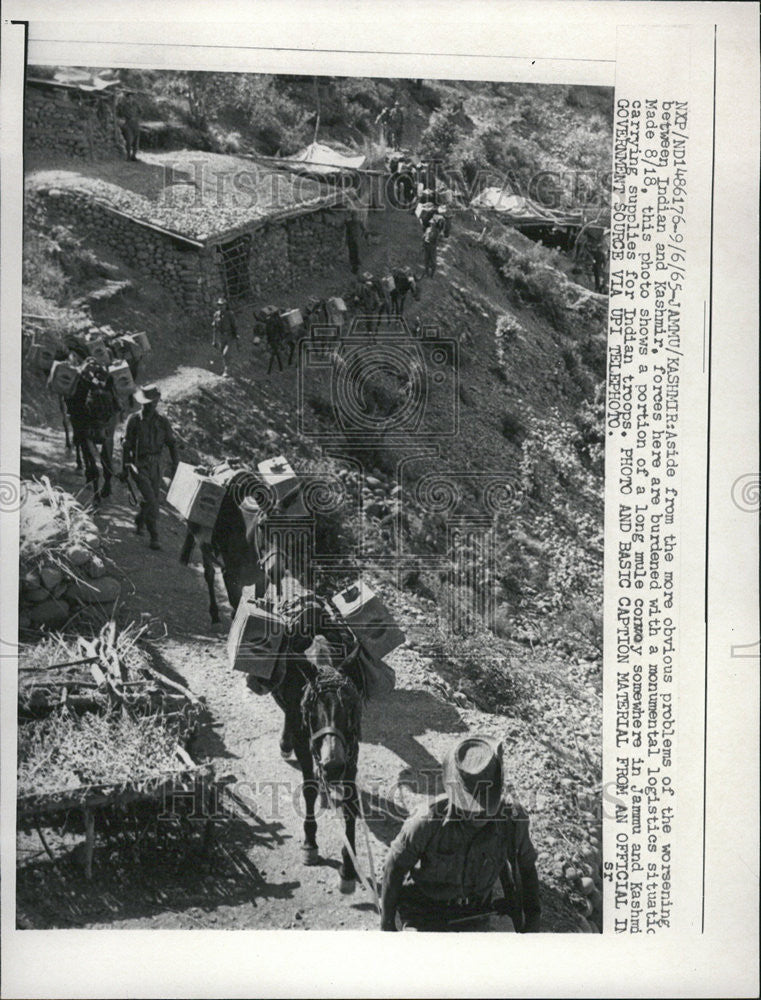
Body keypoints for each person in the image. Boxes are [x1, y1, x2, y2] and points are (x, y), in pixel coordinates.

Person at [380, 735, 542, 932]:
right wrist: (387, 925)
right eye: (471, 805)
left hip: (477, 913)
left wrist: (532, 922)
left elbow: (527, 868)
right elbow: (394, 868)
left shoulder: (513, 820)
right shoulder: (426, 821)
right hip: (425, 913)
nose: (478, 814)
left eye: (485, 805)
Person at [122, 384, 179, 551]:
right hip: (138, 465)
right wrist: (125, 468)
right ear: (142, 403)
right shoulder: (133, 420)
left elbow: (172, 444)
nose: (149, 406)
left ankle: (140, 520)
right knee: (153, 501)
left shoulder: (162, 422)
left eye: (152, 402)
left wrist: (176, 465)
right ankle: (154, 535)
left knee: (150, 498)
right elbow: (127, 445)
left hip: (156, 466)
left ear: (156, 402)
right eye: (146, 403)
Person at [211, 296, 239, 376]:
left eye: (222, 305)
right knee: (222, 354)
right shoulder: (216, 315)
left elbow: (234, 326)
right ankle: (226, 368)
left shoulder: (230, 314)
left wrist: (236, 335)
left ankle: (227, 370)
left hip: (230, 336)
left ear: (226, 305)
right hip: (221, 337)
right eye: (219, 305)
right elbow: (215, 328)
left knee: (225, 354)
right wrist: (214, 340)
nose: (221, 307)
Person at [117, 91, 141, 161]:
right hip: (128, 123)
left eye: (132, 97)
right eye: (129, 97)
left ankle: (134, 156)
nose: (130, 99)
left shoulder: (136, 104)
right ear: (127, 98)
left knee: (136, 141)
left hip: (135, 124)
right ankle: (128, 156)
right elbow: (120, 113)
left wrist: (137, 118)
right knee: (129, 140)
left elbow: (140, 112)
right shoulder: (124, 106)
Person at [344, 208, 368, 276]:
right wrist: (346, 240)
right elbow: (347, 232)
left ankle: (356, 267)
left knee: (357, 252)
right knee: (351, 253)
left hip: (357, 240)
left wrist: (361, 236)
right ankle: (353, 265)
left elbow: (364, 230)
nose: (355, 218)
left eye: (356, 216)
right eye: (353, 216)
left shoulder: (359, 222)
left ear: (357, 216)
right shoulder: (349, 223)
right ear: (352, 217)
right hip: (350, 241)